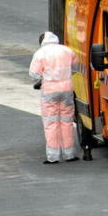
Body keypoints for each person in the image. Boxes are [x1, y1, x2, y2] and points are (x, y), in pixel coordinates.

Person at [29, 31, 78, 164]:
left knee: (51, 123)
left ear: (42, 42)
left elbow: (33, 74)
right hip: (67, 89)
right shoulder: (67, 51)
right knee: (67, 122)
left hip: (50, 91)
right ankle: (69, 154)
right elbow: (75, 68)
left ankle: (53, 156)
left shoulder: (41, 53)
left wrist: (42, 79)